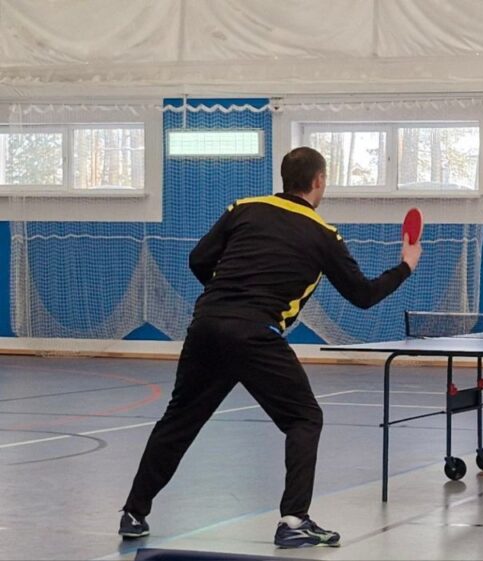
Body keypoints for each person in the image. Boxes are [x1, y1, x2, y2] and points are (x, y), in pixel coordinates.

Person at [118, 147, 422, 547]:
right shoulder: (323, 235)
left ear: (285, 178)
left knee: (179, 421)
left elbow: (198, 259)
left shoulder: (243, 208)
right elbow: (363, 295)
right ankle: (294, 520)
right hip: (256, 334)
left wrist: (227, 298)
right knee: (304, 418)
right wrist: (406, 265)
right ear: (319, 181)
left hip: (206, 327)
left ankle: (134, 512)